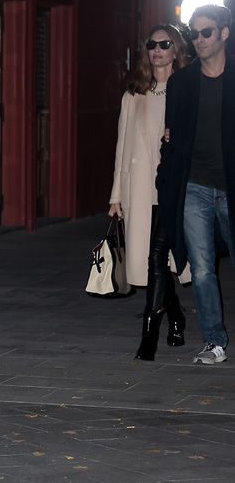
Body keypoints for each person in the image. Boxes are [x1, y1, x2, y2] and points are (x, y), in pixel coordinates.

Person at [157, 4, 234, 365]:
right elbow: (170, 139)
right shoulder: (182, 82)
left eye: (206, 32)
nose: (198, 39)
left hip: (229, 187)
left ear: (223, 34)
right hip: (195, 187)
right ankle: (214, 340)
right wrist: (166, 183)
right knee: (202, 268)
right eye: (194, 33)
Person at [109, 24, 189, 360]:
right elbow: (121, 148)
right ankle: (176, 317)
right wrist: (115, 196)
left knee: (158, 257)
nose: (157, 50)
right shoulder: (134, 94)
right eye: (152, 44)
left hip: (174, 188)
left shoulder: (187, 90)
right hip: (140, 189)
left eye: (165, 44)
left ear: (176, 49)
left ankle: (148, 336)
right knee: (155, 259)